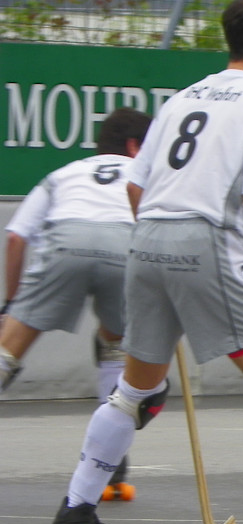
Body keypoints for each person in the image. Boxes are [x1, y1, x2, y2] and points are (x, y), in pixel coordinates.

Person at [47, 0, 243, 524]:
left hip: (147, 237)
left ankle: (75, 514)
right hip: (205, 242)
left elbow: (136, 187)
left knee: (136, 394)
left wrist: (161, 251)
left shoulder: (182, 98)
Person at [1, 107, 152, 494]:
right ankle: (111, 461)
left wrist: (12, 305)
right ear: (134, 147)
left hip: (65, 242)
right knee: (115, 342)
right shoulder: (147, 176)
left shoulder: (64, 174)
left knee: (8, 350)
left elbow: (16, 237)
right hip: (123, 246)